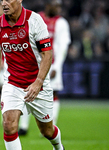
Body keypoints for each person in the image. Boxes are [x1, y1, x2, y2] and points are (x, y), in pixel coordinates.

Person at [0, 0, 64, 149]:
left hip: (37, 84)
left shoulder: (35, 20)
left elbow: (47, 54)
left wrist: (39, 82)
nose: (4, 3)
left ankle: (58, 147)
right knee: (9, 125)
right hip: (12, 83)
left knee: (47, 131)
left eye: (8, 0)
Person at [18, 0, 71, 136]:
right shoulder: (35, 18)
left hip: (52, 63)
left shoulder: (62, 23)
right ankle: (23, 127)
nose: (59, 8)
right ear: (48, 5)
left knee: (53, 93)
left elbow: (63, 47)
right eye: (56, 5)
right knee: (27, 91)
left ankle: (51, 126)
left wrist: (57, 67)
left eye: (60, 5)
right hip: (33, 63)